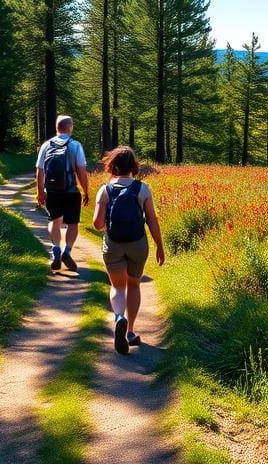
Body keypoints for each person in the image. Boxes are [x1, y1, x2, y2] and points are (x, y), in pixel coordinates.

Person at [93, 146, 166, 355]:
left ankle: (119, 317)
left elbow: (97, 224)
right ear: (133, 166)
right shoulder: (142, 189)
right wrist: (160, 246)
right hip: (137, 244)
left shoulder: (105, 190)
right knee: (133, 284)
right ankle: (131, 331)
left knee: (117, 286)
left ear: (112, 166)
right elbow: (152, 221)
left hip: (113, 244)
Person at [35, 115, 89, 272]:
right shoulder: (75, 145)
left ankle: (56, 249)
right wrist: (85, 190)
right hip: (71, 191)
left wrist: (40, 192)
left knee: (54, 220)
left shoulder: (46, 145)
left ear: (57, 127)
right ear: (70, 127)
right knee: (73, 223)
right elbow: (81, 170)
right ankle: (67, 251)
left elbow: (40, 171)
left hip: (52, 191)